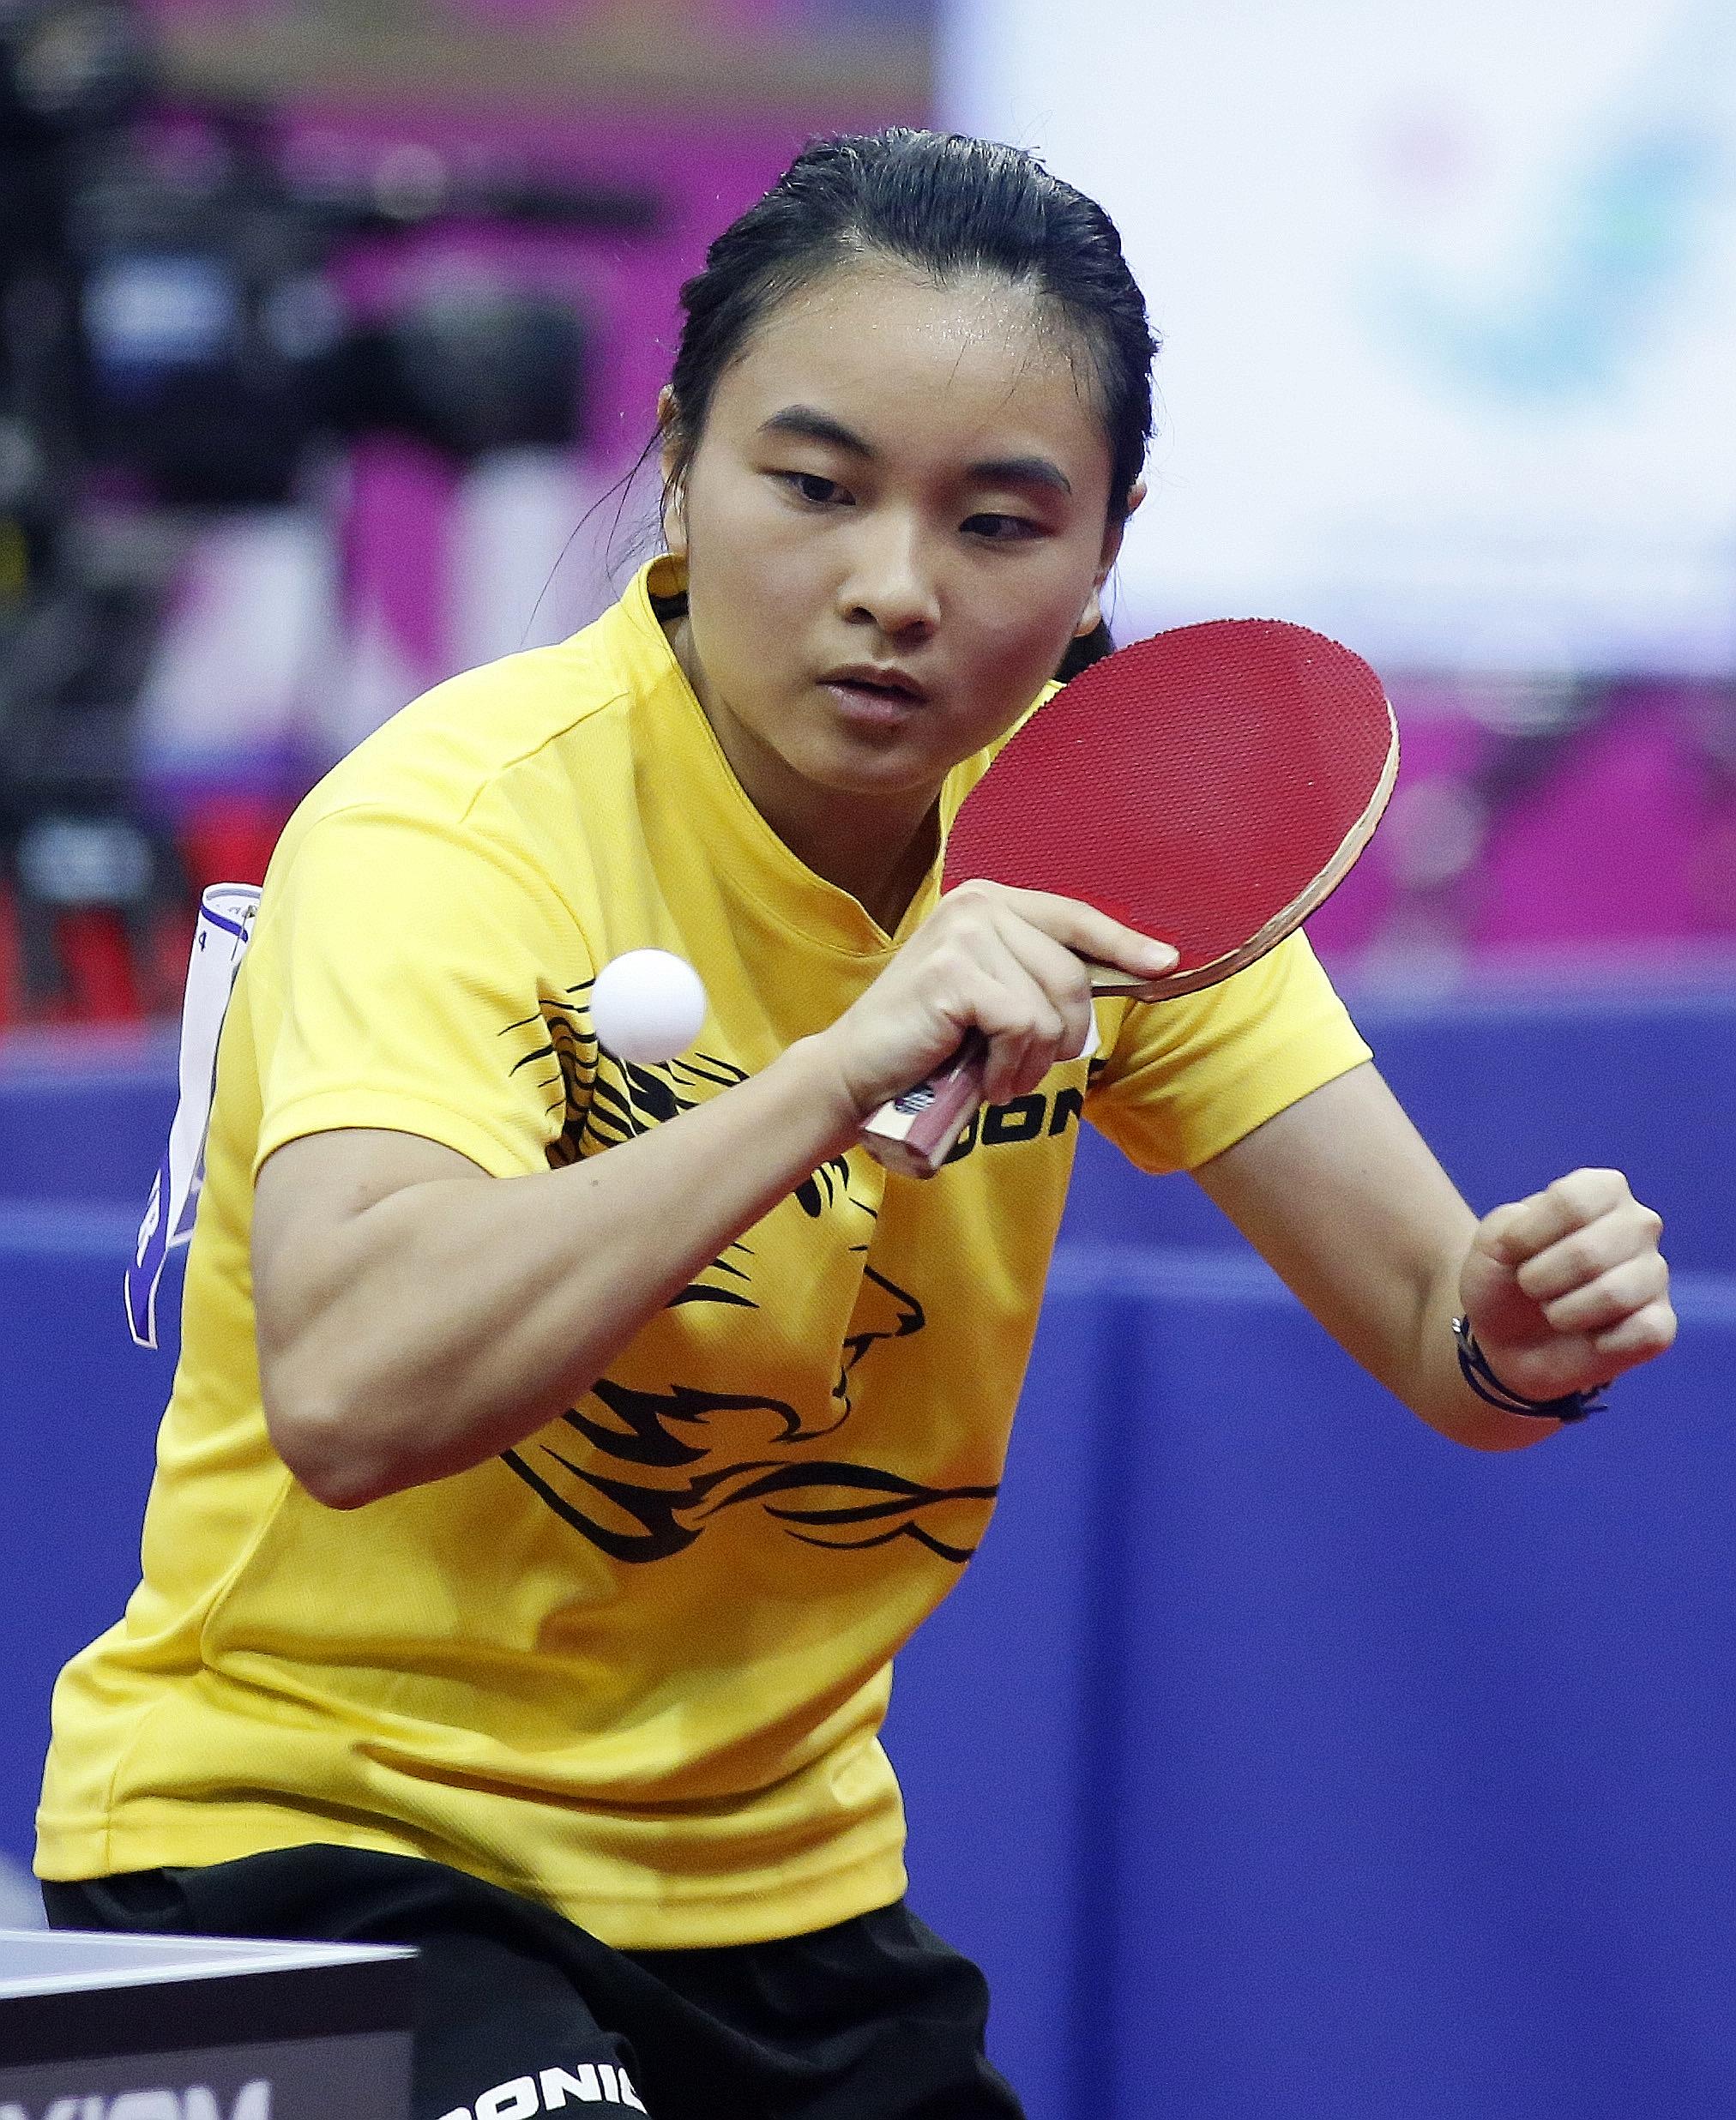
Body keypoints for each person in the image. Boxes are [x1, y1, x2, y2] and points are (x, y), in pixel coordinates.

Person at [35, 130, 1675, 2120]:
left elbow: (1448, 1340)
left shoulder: (1112, 849)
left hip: (773, 1895)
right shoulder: (447, 829)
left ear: (1102, 549)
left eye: (997, 525)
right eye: (813, 489)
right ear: (677, 459)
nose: (891, 590)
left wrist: (1522, 1321)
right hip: (310, 1852)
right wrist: (833, 1058)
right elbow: (359, 1394)